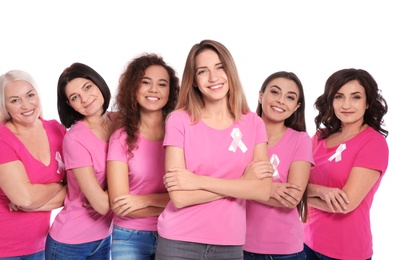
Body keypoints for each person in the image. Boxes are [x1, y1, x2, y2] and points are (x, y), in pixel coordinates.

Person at [156, 39, 274, 260]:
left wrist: (197, 182)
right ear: (194, 81)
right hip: (178, 242)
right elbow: (180, 197)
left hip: (229, 244)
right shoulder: (178, 120)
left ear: (230, 71)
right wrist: (242, 184)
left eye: (220, 67)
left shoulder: (253, 123)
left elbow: (262, 191)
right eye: (203, 71)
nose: (213, 77)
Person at [0, 70, 67, 259]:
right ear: (5, 106)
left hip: (40, 245)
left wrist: (32, 202)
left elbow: (77, 190)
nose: (26, 105)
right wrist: (59, 185)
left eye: (30, 95)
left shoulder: (57, 130)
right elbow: (25, 198)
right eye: (15, 100)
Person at [303, 68, 389, 260]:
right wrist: (321, 191)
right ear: (331, 101)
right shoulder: (319, 137)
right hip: (305, 241)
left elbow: (345, 204)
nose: (346, 105)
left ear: (368, 103)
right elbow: (293, 180)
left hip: (345, 252)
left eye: (356, 97)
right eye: (339, 96)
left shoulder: (373, 143)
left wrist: (298, 195)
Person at [106, 53, 180, 259]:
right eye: (145, 82)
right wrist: (173, 204)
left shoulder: (181, 134)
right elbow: (120, 206)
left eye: (162, 84)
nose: (154, 90)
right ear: (133, 88)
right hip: (129, 237)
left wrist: (141, 201)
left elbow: (190, 196)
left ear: (170, 92)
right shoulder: (120, 139)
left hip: (174, 235)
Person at [45, 62, 114, 259]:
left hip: (104, 237)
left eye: (87, 87)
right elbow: (101, 205)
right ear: (70, 104)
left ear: (98, 83)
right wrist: (136, 191)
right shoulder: (75, 138)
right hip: (69, 244)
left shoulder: (120, 122)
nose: (85, 99)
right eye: (75, 97)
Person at [243, 71, 314, 260]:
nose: (281, 100)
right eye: (275, 92)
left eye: (290, 97)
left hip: (283, 251)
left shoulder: (300, 140)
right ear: (260, 95)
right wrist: (270, 190)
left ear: (296, 107)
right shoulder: (240, 133)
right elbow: (220, 179)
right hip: (234, 244)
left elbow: (292, 197)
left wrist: (242, 187)